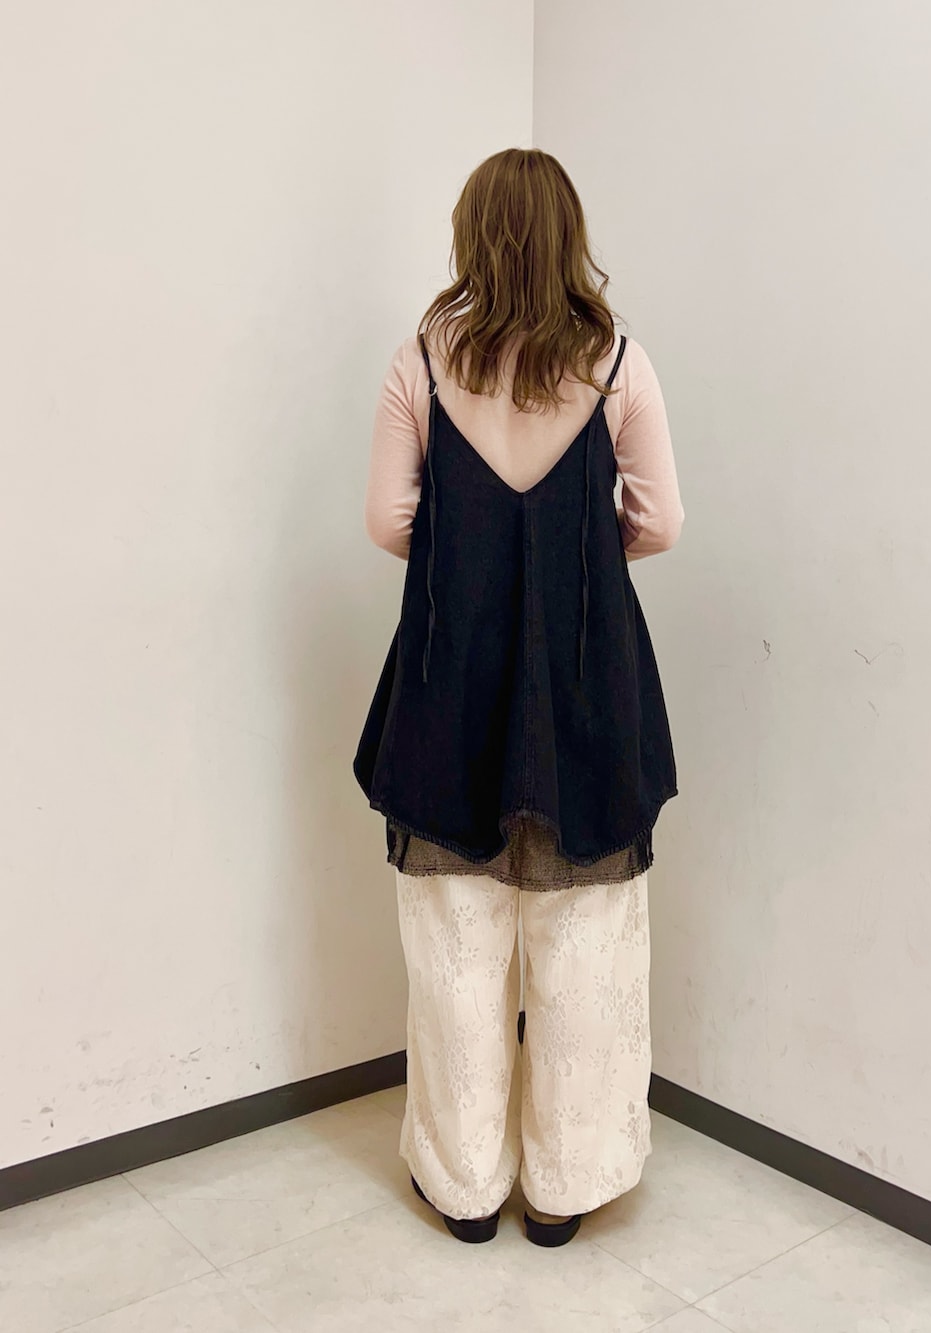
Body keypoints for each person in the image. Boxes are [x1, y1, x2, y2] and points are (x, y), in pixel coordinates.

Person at [354, 147, 684, 1247]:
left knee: (454, 945)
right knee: (587, 940)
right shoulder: (619, 360)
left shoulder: (420, 357)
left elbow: (387, 521)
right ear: (567, 237)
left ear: (472, 235)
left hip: (451, 674)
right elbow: (661, 521)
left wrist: (475, 559)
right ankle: (563, 1189)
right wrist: (573, 564)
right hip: (586, 679)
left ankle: (462, 1190)